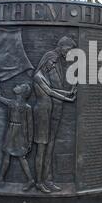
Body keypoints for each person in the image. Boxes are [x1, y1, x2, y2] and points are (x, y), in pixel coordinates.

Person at [33, 36, 77, 193]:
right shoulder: (38, 76)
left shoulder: (45, 76)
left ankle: (48, 179)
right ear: (46, 62)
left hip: (50, 111)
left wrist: (69, 92)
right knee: (41, 149)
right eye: (51, 63)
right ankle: (39, 181)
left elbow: (53, 90)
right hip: (42, 114)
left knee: (49, 147)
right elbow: (50, 92)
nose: (53, 65)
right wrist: (67, 97)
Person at [0, 82, 35, 191]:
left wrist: (29, 141)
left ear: (22, 92)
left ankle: (30, 180)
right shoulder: (12, 103)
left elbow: (30, 126)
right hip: (11, 131)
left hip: (20, 133)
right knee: (7, 155)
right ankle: (1, 179)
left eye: (19, 86)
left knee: (21, 157)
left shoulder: (27, 108)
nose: (16, 86)